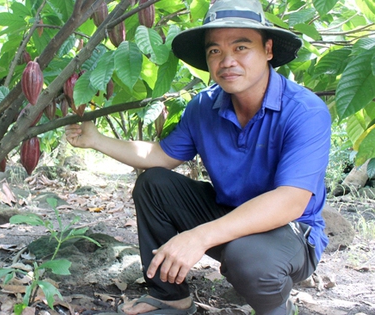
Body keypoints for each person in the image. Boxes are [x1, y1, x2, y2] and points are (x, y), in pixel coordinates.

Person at [65, 0, 331, 314]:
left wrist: (198, 237)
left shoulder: (304, 111)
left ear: (268, 49)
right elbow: (160, 156)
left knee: (250, 258)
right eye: (215, 51)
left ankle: (274, 307)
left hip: (289, 233)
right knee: (154, 184)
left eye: (241, 47)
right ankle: (169, 296)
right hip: (228, 216)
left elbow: (290, 201)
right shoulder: (205, 106)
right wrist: (96, 140)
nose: (227, 61)